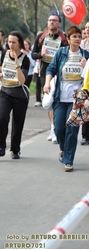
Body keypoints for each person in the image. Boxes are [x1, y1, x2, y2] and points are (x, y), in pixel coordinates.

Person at [44, 26, 89, 172]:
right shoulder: (61, 53)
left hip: (78, 99)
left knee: (72, 129)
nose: (77, 39)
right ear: (68, 39)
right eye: (74, 36)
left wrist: (86, 67)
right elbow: (51, 68)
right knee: (58, 128)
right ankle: (64, 149)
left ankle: (68, 160)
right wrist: (46, 83)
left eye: (79, 36)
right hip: (60, 97)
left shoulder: (86, 55)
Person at [0, 31, 30, 160]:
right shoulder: (4, 53)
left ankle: (15, 149)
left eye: (14, 42)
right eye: (9, 42)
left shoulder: (25, 59)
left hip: (19, 95)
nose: (11, 45)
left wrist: (16, 62)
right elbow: (0, 66)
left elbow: (22, 80)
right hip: (5, 92)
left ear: (20, 43)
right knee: (1, 118)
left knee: (17, 123)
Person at [32, 11, 68, 143]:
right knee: (48, 101)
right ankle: (53, 127)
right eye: (49, 20)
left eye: (54, 20)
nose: (51, 22)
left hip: (60, 74)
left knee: (57, 100)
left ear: (59, 23)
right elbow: (33, 54)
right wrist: (40, 55)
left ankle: (56, 128)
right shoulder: (41, 37)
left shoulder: (64, 39)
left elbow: (68, 55)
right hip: (44, 73)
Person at [79, 22, 89, 146]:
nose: (87, 30)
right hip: (83, 79)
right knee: (86, 106)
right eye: (86, 28)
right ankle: (85, 135)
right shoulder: (81, 44)